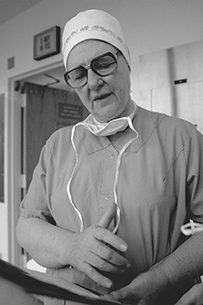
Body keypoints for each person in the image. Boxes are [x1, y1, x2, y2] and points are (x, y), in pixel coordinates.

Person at [16, 9, 203, 305]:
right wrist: (73, 247)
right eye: (78, 74)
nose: (92, 82)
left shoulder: (181, 138)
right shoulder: (57, 146)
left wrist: (162, 279)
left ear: (126, 63)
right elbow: (27, 225)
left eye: (103, 63)